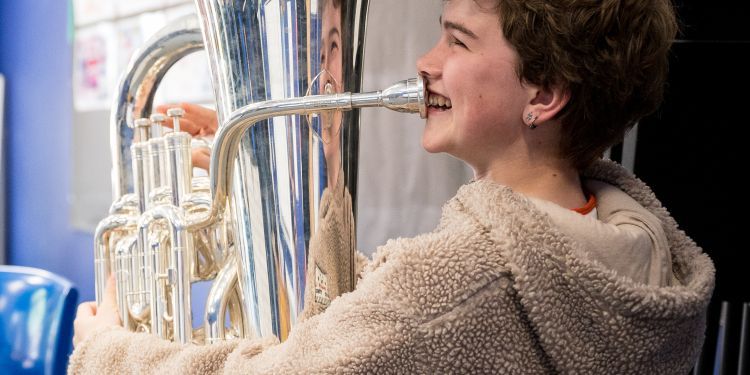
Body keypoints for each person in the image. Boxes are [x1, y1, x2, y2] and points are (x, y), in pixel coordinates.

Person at [69, 0, 715, 373]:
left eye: (457, 41)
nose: (426, 62)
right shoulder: (626, 249)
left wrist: (108, 351)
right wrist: (269, 179)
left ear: (543, 94)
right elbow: (382, 318)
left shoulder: (467, 278)